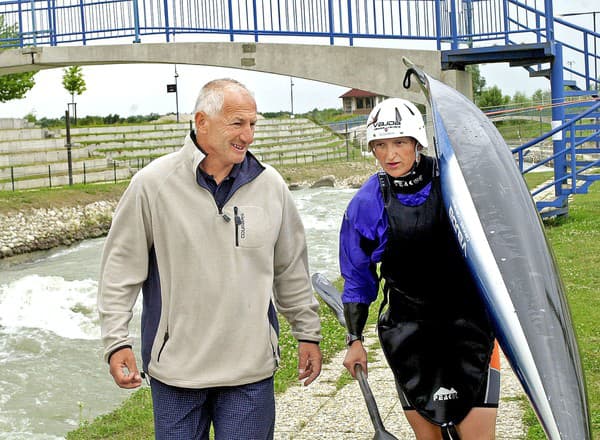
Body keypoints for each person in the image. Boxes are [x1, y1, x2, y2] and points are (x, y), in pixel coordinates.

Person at [97, 78, 322, 439]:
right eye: (237, 123)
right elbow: (120, 273)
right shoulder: (152, 185)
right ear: (201, 121)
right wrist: (116, 341)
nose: (248, 136)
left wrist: (307, 333)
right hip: (176, 372)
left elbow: (290, 268)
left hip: (250, 372)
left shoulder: (272, 186)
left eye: (252, 124)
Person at [339, 98, 499, 440]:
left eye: (399, 143)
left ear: (417, 143)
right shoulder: (367, 204)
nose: (390, 154)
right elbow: (357, 276)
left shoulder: (454, 184)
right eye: (380, 145)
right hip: (408, 335)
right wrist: (355, 339)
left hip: (469, 329)